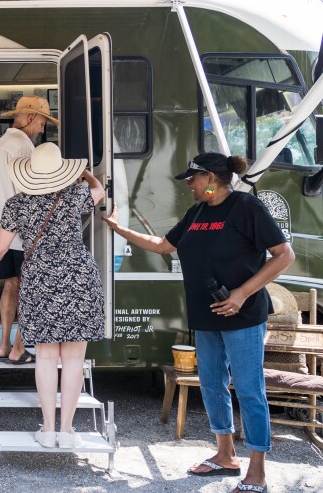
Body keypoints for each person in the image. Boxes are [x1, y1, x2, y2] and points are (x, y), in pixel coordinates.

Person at [101, 152, 294, 493]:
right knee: (211, 384)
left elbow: (284, 255)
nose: (188, 183)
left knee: (249, 391)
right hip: (206, 316)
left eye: (192, 178)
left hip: (243, 316)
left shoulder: (246, 209)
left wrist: (241, 294)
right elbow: (163, 245)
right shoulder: (198, 212)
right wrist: (119, 229)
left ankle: (258, 472)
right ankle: (225, 455)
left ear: (211, 179)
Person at [0, 143, 105, 448]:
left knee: (47, 356)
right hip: (79, 275)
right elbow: (99, 190)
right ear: (63, 171)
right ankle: (67, 431)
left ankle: (48, 429)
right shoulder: (75, 195)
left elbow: (0, 247)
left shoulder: (17, 203)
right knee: (75, 358)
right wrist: (83, 172)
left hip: (39, 276)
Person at [0, 95, 58, 364]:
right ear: (29, 118)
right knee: (30, 289)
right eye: (42, 122)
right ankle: (18, 349)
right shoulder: (25, 147)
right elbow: (32, 190)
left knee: (11, 285)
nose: (42, 129)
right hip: (22, 231)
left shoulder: (2, 142)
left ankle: (3, 346)